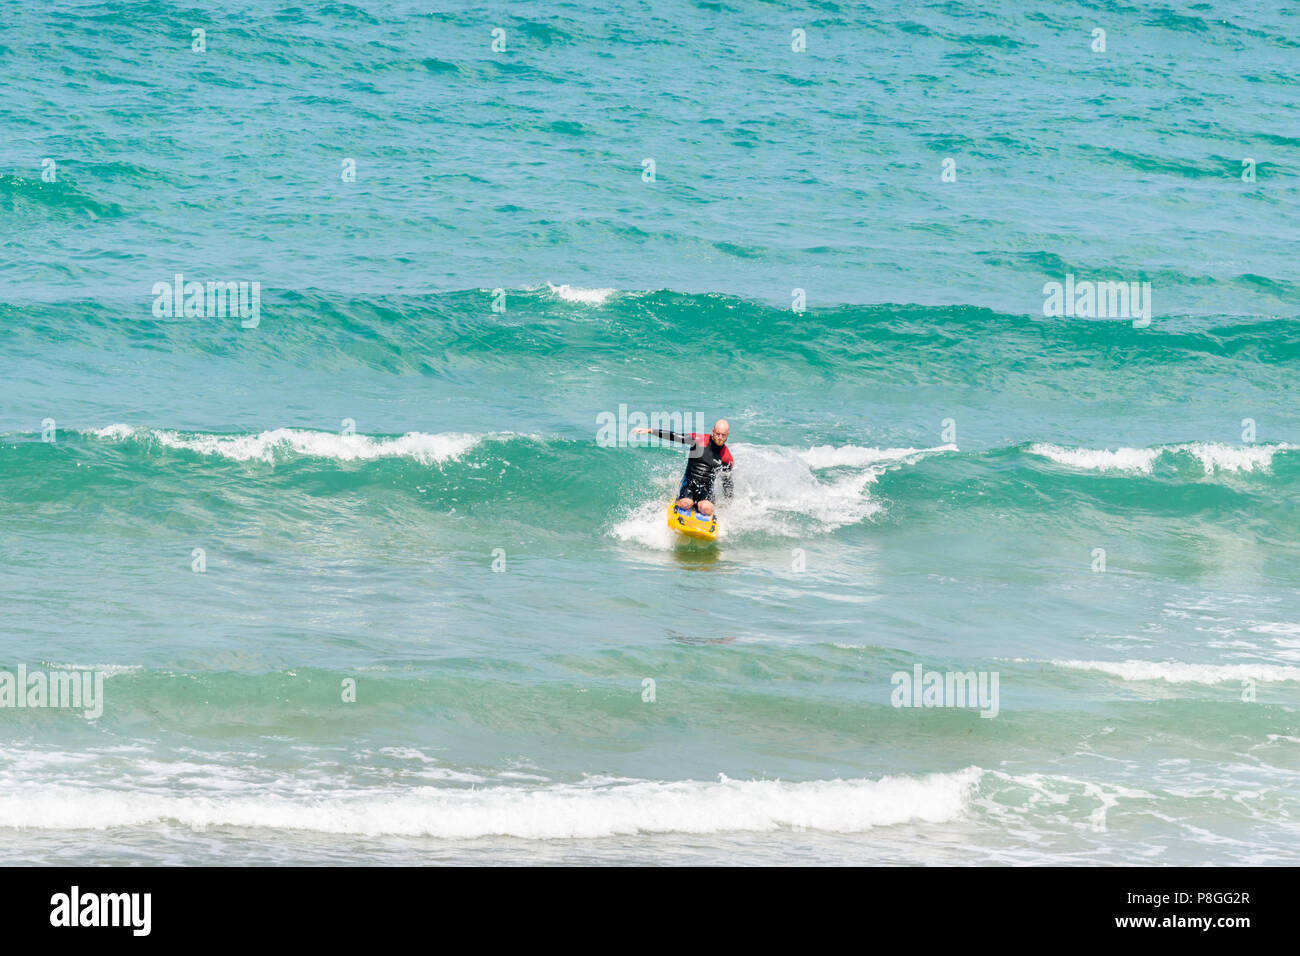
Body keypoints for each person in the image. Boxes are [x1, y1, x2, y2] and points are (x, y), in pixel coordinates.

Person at [632, 419, 733, 516]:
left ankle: (701, 505)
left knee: (706, 508)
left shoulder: (727, 457)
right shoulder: (698, 440)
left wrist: (727, 504)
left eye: (723, 435)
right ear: (713, 431)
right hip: (689, 483)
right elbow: (675, 436)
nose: (720, 437)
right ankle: (684, 502)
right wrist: (650, 431)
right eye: (717, 434)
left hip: (706, 489)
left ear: (727, 435)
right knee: (686, 504)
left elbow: (727, 482)